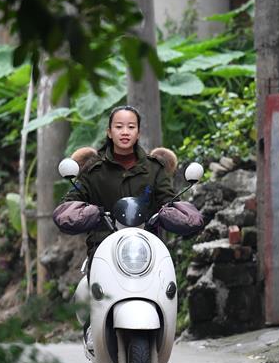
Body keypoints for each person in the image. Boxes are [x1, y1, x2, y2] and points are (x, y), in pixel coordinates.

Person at [52, 105, 204, 256]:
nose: (125, 132)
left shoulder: (155, 168)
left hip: (148, 249)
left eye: (131, 127)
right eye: (119, 127)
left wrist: (174, 214)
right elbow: (70, 205)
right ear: (109, 132)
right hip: (103, 250)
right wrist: (91, 213)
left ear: (138, 133)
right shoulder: (93, 170)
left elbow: (168, 202)